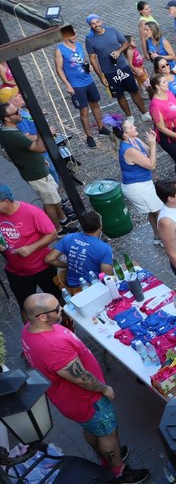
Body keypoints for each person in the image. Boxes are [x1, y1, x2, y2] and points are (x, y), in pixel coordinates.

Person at [21, 293, 151, 483]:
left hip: (70, 402)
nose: (61, 309)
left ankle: (106, 459)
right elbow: (80, 377)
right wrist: (103, 389)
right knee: (108, 432)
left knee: (92, 428)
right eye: (57, 309)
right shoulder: (52, 346)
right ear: (42, 317)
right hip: (88, 400)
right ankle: (119, 472)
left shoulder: (28, 329)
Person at [0, 103, 69, 233]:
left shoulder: (7, 131)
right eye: (16, 112)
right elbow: (40, 148)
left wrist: (41, 160)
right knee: (49, 202)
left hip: (35, 168)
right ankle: (58, 229)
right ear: (7, 118)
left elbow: (24, 151)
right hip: (36, 173)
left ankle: (62, 218)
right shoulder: (14, 135)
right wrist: (40, 128)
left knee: (53, 196)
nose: (19, 113)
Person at [0, 185, 61, 324]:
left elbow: (52, 234)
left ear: (5, 201)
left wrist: (31, 248)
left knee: (57, 300)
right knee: (25, 307)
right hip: (16, 273)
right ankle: (31, 337)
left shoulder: (32, 212)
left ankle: (68, 328)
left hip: (43, 268)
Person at [84, 14, 150, 122]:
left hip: (123, 67)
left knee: (134, 91)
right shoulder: (90, 39)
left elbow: (125, 42)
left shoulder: (112, 31)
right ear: (90, 25)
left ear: (101, 21)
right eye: (93, 24)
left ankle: (144, 113)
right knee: (120, 96)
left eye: (97, 22)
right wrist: (101, 76)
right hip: (109, 72)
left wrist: (119, 51)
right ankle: (129, 117)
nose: (96, 25)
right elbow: (93, 59)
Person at [54, 25, 107, 149]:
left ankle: (101, 127)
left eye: (75, 34)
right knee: (84, 110)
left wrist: (90, 67)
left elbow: (81, 60)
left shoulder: (78, 45)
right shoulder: (60, 50)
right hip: (76, 85)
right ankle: (89, 136)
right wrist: (67, 85)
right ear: (64, 37)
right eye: (72, 35)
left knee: (95, 104)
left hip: (88, 80)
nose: (75, 37)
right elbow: (59, 69)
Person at [112, 119, 164, 244]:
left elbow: (149, 152)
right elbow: (151, 165)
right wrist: (152, 145)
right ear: (125, 134)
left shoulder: (136, 141)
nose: (135, 127)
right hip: (137, 188)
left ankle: (158, 237)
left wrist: (152, 143)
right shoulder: (129, 150)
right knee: (160, 212)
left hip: (143, 184)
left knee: (154, 211)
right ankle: (165, 239)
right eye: (131, 127)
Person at [0, 87, 63, 189]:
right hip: (41, 153)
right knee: (52, 176)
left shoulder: (21, 112)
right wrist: (44, 134)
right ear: (9, 102)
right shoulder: (18, 119)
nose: (20, 95)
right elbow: (27, 137)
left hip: (44, 150)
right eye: (15, 95)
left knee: (54, 173)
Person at [147, 73, 176, 194]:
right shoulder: (156, 105)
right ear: (157, 87)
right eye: (164, 82)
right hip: (168, 136)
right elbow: (161, 127)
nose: (167, 83)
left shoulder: (168, 93)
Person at [44, 211, 114, 291]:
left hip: (72, 288)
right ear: (100, 226)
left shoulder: (68, 238)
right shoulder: (104, 248)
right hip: (93, 288)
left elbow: (49, 259)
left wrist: (67, 265)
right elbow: (106, 277)